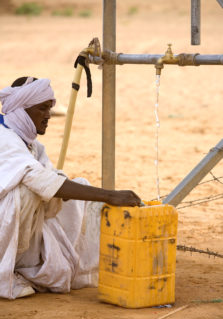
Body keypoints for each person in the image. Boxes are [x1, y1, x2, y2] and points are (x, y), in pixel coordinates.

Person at [0, 76, 141, 299]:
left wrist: (95, 195)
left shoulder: (33, 145)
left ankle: (78, 268)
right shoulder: (4, 138)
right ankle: (4, 272)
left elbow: (52, 181)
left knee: (79, 189)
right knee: (28, 192)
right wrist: (110, 196)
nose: (48, 115)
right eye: (42, 108)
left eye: (50, 108)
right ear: (21, 110)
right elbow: (40, 181)